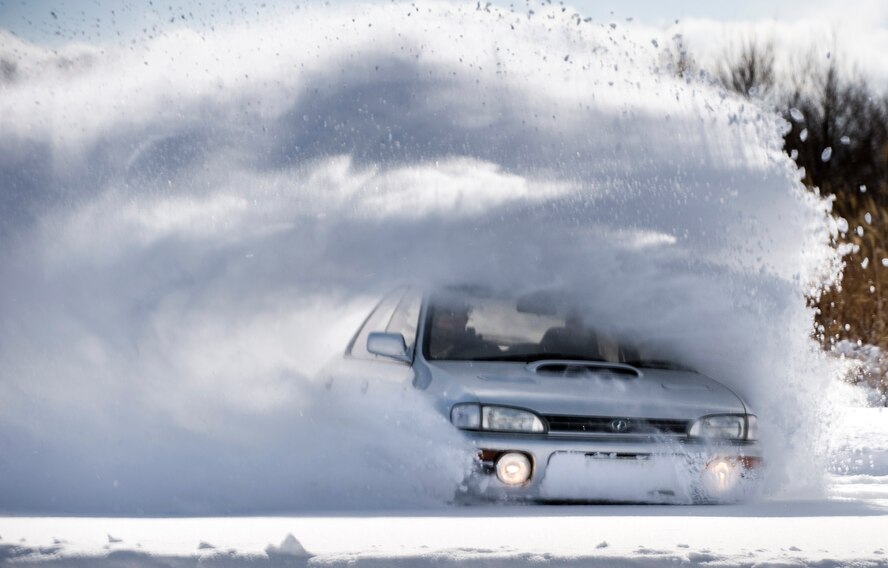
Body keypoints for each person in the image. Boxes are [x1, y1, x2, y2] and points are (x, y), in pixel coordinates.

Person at [428, 300, 496, 359]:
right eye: (448, 314)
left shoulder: (486, 350)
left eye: (459, 315)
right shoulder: (425, 349)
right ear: (435, 321)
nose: (453, 321)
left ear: (465, 320)